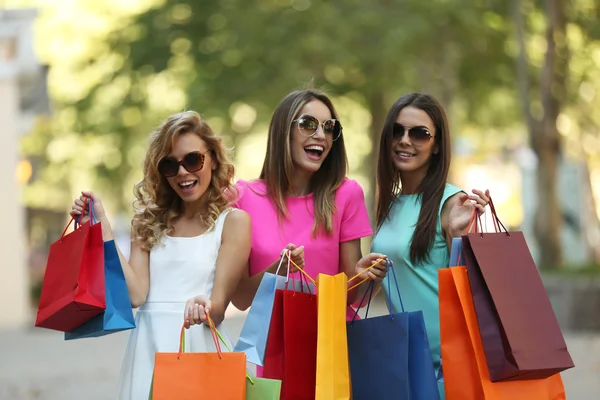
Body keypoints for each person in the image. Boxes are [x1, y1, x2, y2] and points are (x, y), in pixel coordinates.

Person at [70, 111, 251, 400]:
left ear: (213, 159)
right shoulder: (147, 222)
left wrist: (203, 305)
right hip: (147, 350)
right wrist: (100, 224)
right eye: (170, 165)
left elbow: (218, 308)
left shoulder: (234, 222)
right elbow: (136, 295)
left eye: (193, 160)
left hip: (199, 347)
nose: (182, 172)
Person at [231, 89, 388, 354]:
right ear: (284, 131)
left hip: (332, 352)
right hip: (270, 349)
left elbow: (352, 297)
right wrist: (277, 271)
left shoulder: (347, 194)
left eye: (329, 127)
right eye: (308, 124)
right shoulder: (243, 198)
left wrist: (368, 275)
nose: (320, 135)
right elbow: (241, 299)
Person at [370, 93, 489, 398]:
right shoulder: (391, 204)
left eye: (419, 133)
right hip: (408, 360)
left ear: (437, 145)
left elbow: (469, 287)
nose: (405, 141)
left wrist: (462, 235)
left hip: (448, 367)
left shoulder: (452, 202)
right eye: (397, 131)